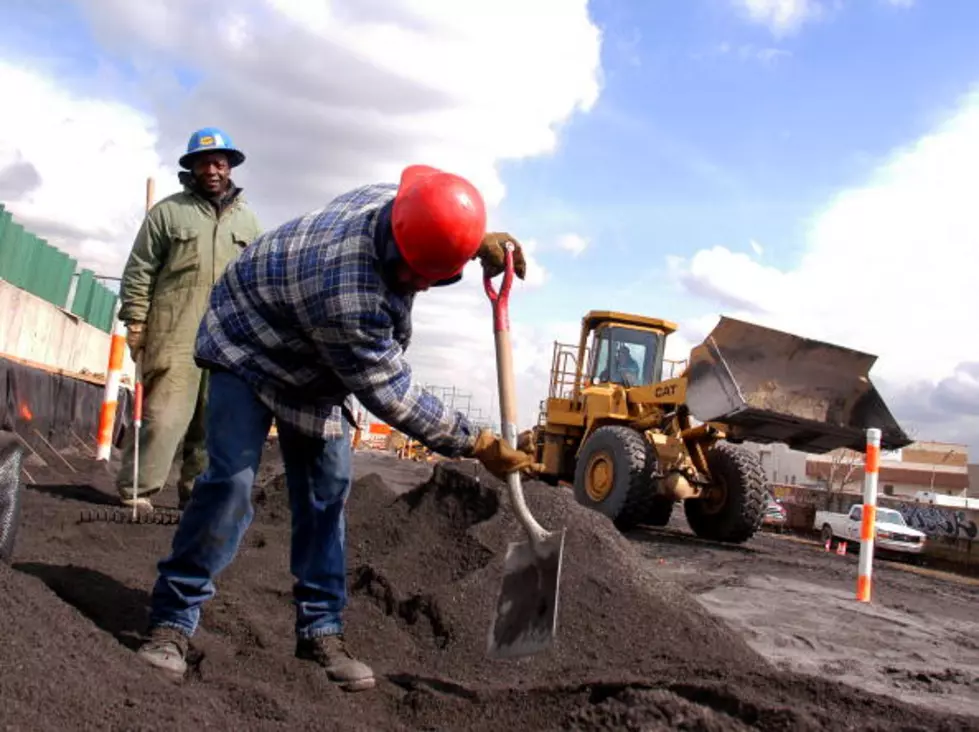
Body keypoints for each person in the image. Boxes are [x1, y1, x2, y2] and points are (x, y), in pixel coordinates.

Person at [134, 165, 542, 692]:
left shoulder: (396, 203)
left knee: (327, 492)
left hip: (315, 360)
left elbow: (429, 206)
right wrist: (476, 442)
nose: (424, 286)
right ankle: (172, 620)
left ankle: (320, 630)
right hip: (248, 341)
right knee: (230, 486)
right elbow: (392, 393)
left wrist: (468, 239)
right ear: (406, 265)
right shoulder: (349, 296)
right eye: (423, 276)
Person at [116, 127, 263, 511]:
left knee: (212, 422)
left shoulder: (249, 224)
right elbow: (140, 270)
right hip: (174, 331)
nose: (212, 169)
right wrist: (136, 322)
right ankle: (138, 490)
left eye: (219, 162)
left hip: (226, 338)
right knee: (164, 417)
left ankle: (195, 492)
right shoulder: (167, 213)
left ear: (229, 167)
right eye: (204, 162)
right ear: (191, 167)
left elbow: (257, 280)